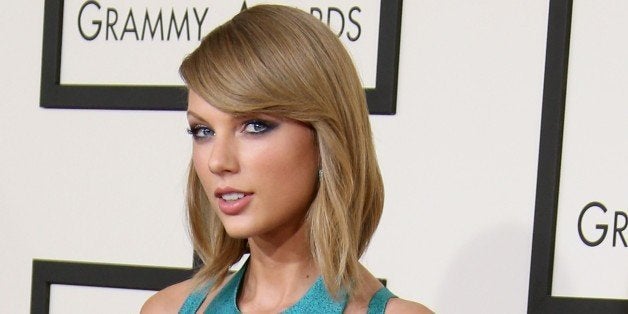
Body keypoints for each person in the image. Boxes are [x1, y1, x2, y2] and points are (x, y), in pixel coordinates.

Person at [142, 4, 432, 313]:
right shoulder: (167, 308)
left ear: (325, 139)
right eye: (203, 131)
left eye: (254, 126)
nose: (218, 161)